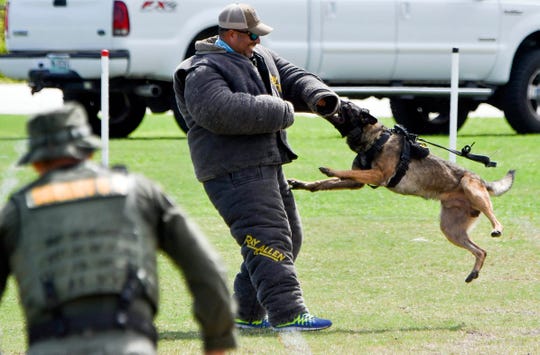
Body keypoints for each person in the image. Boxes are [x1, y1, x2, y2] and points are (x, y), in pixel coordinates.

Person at [0, 103, 237, 354]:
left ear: (36, 163)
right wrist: (217, 341)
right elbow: (206, 268)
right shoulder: (141, 193)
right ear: (88, 151)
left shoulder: (17, 211)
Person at [173, 3, 345, 331]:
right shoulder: (202, 70)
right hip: (232, 170)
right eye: (252, 35)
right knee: (268, 238)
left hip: (265, 162)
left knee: (287, 237)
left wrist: (318, 95)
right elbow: (220, 111)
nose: (257, 40)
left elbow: (293, 76)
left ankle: (245, 312)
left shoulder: (257, 56)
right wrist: (282, 111)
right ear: (232, 34)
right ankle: (288, 313)